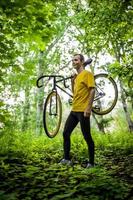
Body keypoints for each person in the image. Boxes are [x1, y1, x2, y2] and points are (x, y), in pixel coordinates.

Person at [60, 54, 95, 168]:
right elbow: (75, 93)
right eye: (72, 60)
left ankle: (91, 163)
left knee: (87, 136)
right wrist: (72, 81)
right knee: (66, 133)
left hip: (83, 110)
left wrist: (88, 108)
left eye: (76, 60)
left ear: (82, 61)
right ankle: (66, 159)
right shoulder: (77, 76)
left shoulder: (87, 74)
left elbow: (92, 90)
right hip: (74, 110)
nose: (73, 61)